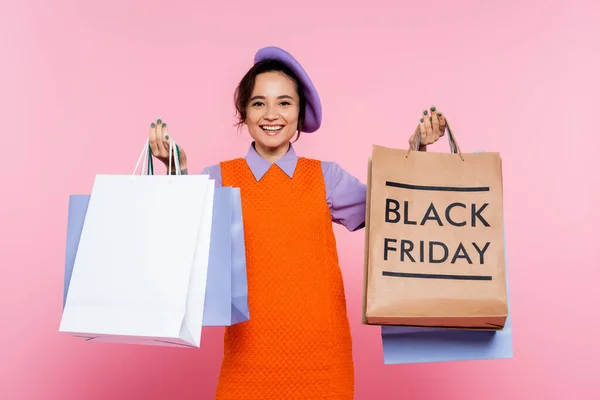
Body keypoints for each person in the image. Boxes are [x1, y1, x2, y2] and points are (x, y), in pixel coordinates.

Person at [147, 46, 446, 400]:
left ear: (299, 112)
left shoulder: (325, 177)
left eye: (284, 103)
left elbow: (394, 210)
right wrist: (174, 171)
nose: (271, 114)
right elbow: (179, 238)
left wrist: (418, 150)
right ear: (243, 111)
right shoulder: (220, 178)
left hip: (323, 360)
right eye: (259, 103)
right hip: (247, 359)